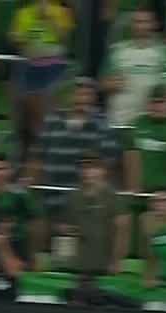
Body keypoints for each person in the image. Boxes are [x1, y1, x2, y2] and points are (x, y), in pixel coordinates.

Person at [39, 78, 119, 216]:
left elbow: (109, 164)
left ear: (94, 99)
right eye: (79, 94)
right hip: (52, 196)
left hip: (85, 201)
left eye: (87, 94)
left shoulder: (102, 123)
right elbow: (38, 155)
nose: (83, 99)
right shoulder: (53, 119)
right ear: (70, 96)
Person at [9, 0, 73, 145]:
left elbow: (64, 39)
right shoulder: (23, 13)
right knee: (29, 109)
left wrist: (49, 18)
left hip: (54, 68)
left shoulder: (62, 12)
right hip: (30, 67)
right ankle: (30, 141)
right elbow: (16, 40)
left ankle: (54, 141)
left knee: (52, 111)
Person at [101, 8, 166, 127]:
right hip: (119, 120)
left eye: (145, 22)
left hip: (150, 123)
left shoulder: (164, 52)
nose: (141, 26)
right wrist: (111, 84)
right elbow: (102, 83)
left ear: (153, 25)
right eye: (137, 22)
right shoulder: (117, 50)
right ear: (132, 25)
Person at [124, 85, 166, 198]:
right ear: (147, 104)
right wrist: (133, 188)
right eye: (154, 102)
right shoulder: (137, 125)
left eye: (162, 102)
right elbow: (130, 159)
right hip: (139, 192)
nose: (157, 107)